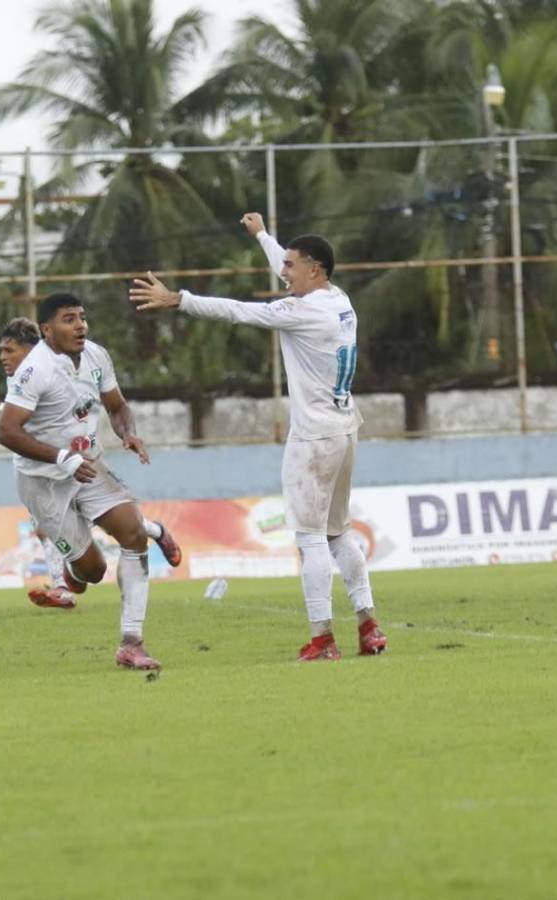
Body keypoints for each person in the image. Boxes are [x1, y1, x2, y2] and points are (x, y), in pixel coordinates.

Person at [129, 212, 387, 662]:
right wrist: (264, 236)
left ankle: (323, 638)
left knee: (310, 538)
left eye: (290, 265)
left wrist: (178, 299)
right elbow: (286, 271)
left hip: (313, 438)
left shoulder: (301, 311)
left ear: (314, 270)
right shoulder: (339, 300)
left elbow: (237, 311)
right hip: (345, 429)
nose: (283, 271)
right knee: (338, 533)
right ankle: (369, 626)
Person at [0, 294, 182, 670]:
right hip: (43, 480)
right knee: (92, 571)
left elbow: (117, 406)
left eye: (82, 317)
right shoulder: (34, 371)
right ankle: (74, 568)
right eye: (69, 319)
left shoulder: (97, 356)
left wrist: (127, 432)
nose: (80, 325)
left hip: (89, 466)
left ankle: (132, 643)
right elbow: (7, 432)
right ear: (47, 330)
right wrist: (62, 458)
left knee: (132, 532)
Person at [0, 317, 76, 609]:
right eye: (1, 350)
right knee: (45, 529)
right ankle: (62, 587)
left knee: (99, 519)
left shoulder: (46, 372)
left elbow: (42, 421)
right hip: (34, 466)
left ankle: (153, 531)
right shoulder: (17, 376)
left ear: (30, 350)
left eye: (9, 350)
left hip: (59, 462)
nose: (2, 357)